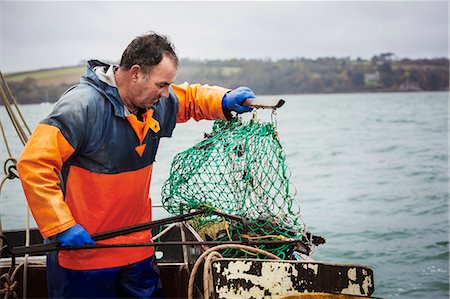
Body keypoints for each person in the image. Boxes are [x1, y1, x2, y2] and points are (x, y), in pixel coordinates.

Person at [17, 32, 255, 298]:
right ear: (136, 73)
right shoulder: (81, 106)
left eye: (169, 85)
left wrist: (223, 99)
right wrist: (61, 226)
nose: (166, 94)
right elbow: (34, 164)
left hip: (137, 249)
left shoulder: (155, 101)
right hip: (84, 256)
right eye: (162, 84)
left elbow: (190, 99)